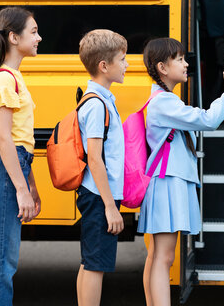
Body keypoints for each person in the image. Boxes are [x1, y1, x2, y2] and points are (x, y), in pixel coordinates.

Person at [139, 37, 224, 306]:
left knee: (158, 255)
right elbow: (207, 120)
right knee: (164, 256)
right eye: (180, 59)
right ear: (162, 67)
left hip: (167, 180)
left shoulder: (165, 100)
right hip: (167, 181)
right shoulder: (164, 103)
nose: (186, 64)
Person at [0, 7, 42, 306]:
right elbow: (3, 138)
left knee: (5, 260)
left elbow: (20, 141)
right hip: (1, 174)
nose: (39, 37)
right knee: (2, 262)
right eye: (34, 31)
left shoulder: (13, 77)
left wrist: (31, 185)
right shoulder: (3, 80)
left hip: (9, 171)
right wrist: (22, 189)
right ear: (14, 37)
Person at [76, 29, 128, 306]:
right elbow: (94, 158)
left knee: (90, 262)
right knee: (96, 264)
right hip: (99, 196)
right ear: (104, 66)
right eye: (122, 59)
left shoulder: (100, 100)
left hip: (95, 194)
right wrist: (110, 206)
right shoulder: (97, 105)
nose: (127, 65)